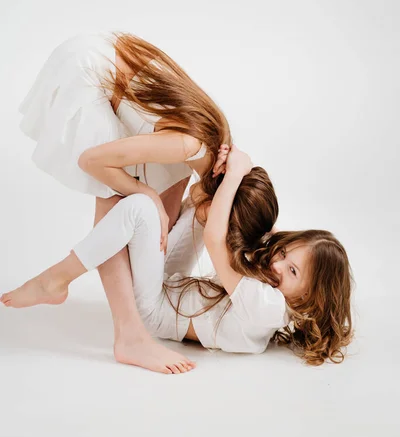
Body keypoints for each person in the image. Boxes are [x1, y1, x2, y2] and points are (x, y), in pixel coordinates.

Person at [2, 146, 353, 370]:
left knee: (139, 208)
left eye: (291, 270)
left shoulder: (268, 308)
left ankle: (56, 279)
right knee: (204, 199)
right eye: (283, 253)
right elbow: (224, 227)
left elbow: (216, 240)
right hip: (170, 284)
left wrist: (234, 174)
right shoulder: (271, 288)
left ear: (309, 298)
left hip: (153, 310)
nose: (276, 263)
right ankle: (149, 197)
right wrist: (225, 170)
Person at [15, 31, 236, 371]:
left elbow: (166, 223)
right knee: (116, 194)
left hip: (98, 54)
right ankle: (125, 334)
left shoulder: (210, 145)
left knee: (155, 189)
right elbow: (90, 161)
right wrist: (143, 192)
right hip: (84, 70)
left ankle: (112, 307)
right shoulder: (188, 146)